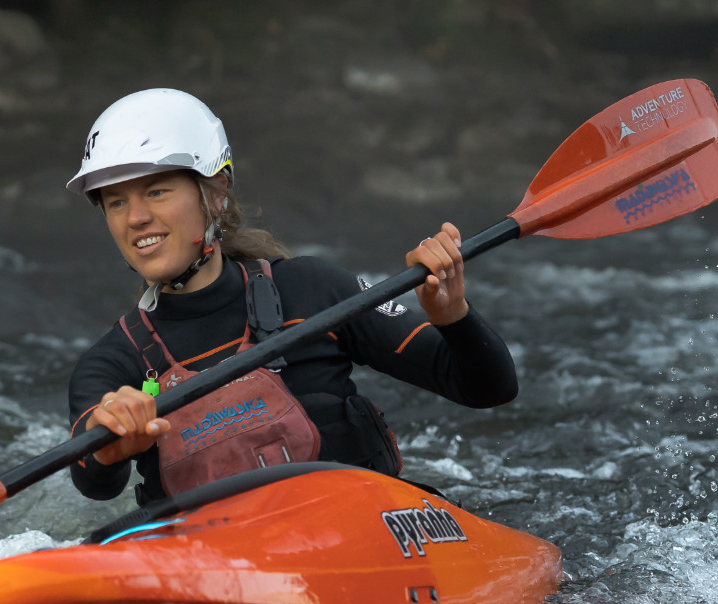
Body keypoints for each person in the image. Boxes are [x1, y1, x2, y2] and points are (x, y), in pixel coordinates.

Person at [63, 88, 518, 505]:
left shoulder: (312, 291)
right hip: (216, 563)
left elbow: (487, 389)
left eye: (156, 191)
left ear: (216, 194)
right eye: (116, 202)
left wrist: (452, 315)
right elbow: (95, 484)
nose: (136, 218)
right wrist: (112, 446)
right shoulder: (114, 364)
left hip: (355, 531)